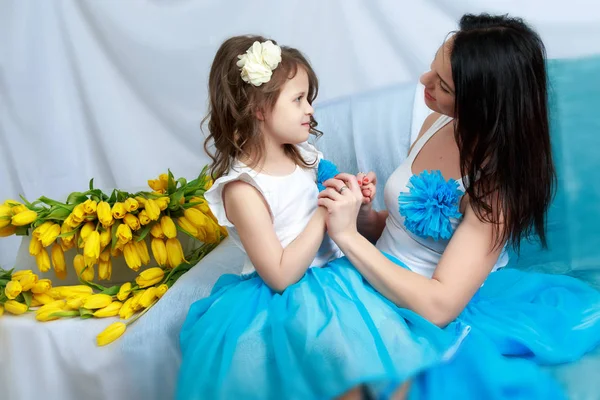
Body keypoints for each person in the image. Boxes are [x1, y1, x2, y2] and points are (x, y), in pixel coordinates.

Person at [319, 13, 600, 399]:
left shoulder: (496, 192)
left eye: (443, 85)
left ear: (482, 105)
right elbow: (401, 232)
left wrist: (347, 238)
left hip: (420, 306)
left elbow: (439, 306)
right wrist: (364, 215)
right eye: (432, 67)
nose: (424, 82)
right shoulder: (436, 120)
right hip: (368, 277)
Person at [176, 35, 469, 400]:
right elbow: (281, 275)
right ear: (259, 109)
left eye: (308, 99)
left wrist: (353, 195)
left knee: (390, 367)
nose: (310, 110)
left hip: (340, 281)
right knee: (330, 377)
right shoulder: (243, 189)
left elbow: (330, 196)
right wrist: (325, 212)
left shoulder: (302, 155)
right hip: (288, 299)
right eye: (298, 99)